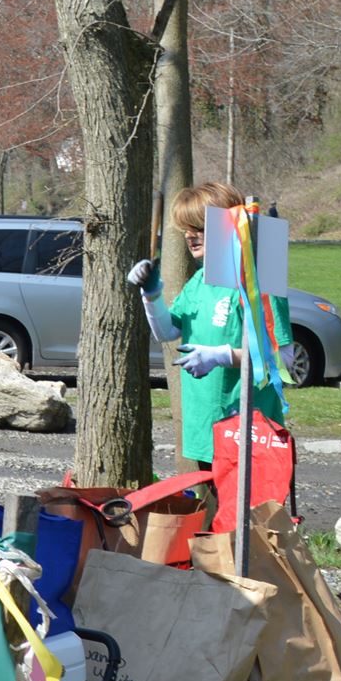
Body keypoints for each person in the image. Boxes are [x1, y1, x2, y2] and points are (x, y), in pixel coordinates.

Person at [130, 182, 291, 471]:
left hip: (247, 431)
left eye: (199, 226)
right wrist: (151, 293)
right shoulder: (199, 280)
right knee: (214, 514)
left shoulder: (259, 279)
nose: (190, 235)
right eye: (186, 228)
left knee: (246, 516)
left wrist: (221, 356)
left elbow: (281, 360)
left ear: (228, 225)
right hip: (205, 428)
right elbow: (167, 332)